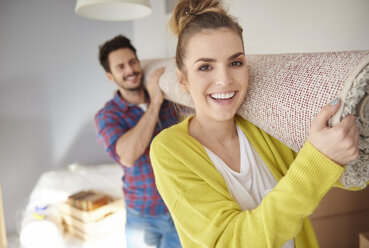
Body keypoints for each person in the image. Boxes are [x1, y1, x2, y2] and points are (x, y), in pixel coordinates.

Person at [149, 1, 365, 247]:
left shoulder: (264, 126)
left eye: (235, 62)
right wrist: (319, 160)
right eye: (205, 67)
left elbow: (343, 175)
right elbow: (233, 241)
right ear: (183, 80)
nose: (224, 80)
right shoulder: (169, 150)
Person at [95, 34, 182, 248]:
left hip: (179, 208)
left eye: (132, 62)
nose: (130, 70)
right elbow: (128, 155)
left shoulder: (168, 101)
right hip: (143, 215)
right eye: (121, 67)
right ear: (110, 76)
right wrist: (154, 105)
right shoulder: (107, 116)